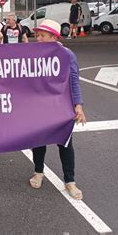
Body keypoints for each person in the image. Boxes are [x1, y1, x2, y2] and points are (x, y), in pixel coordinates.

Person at [29, 19, 86, 200]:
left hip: (62, 106)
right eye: (37, 35)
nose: (38, 38)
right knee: (38, 141)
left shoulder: (67, 55)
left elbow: (74, 81)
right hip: (39, 106)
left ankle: (70, 181)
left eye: (42, 35)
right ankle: (38, 172)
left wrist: (78, 106)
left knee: (65, 143)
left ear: (54, 37)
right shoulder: (33, 55)